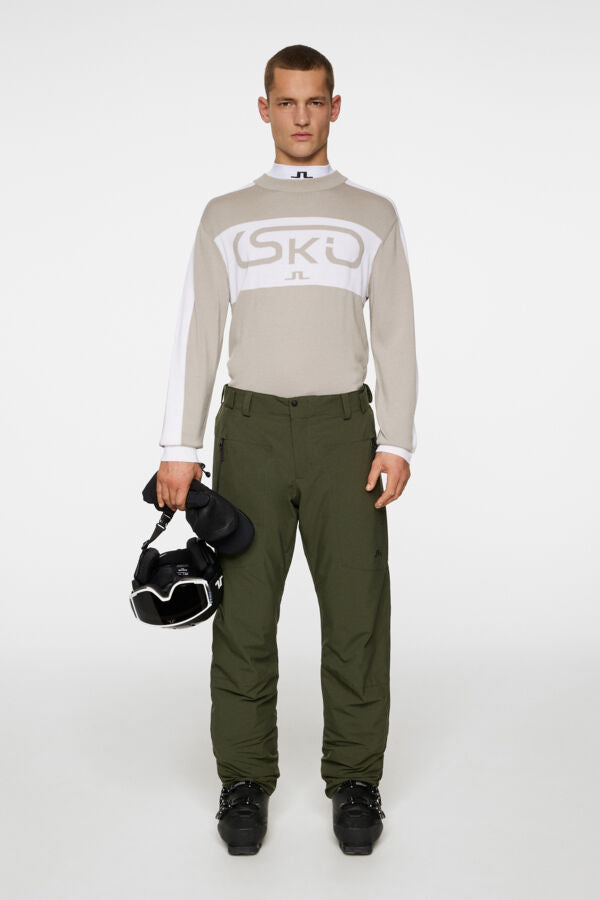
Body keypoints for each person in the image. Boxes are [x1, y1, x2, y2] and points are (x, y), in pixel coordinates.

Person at [155, 44, 418, 855]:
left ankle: (356, 780)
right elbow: (199, 332)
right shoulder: (225, 215)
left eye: (314, 101)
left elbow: (396, 332)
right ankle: (244, 780)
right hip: (253, 431)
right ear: (263, 108)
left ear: (335, 108)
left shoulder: (373, 214)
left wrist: (397, 438)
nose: (300, 116)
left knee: (357, 613)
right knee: (243, 615)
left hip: (345, 433)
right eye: (286, 101)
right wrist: (179, 445)